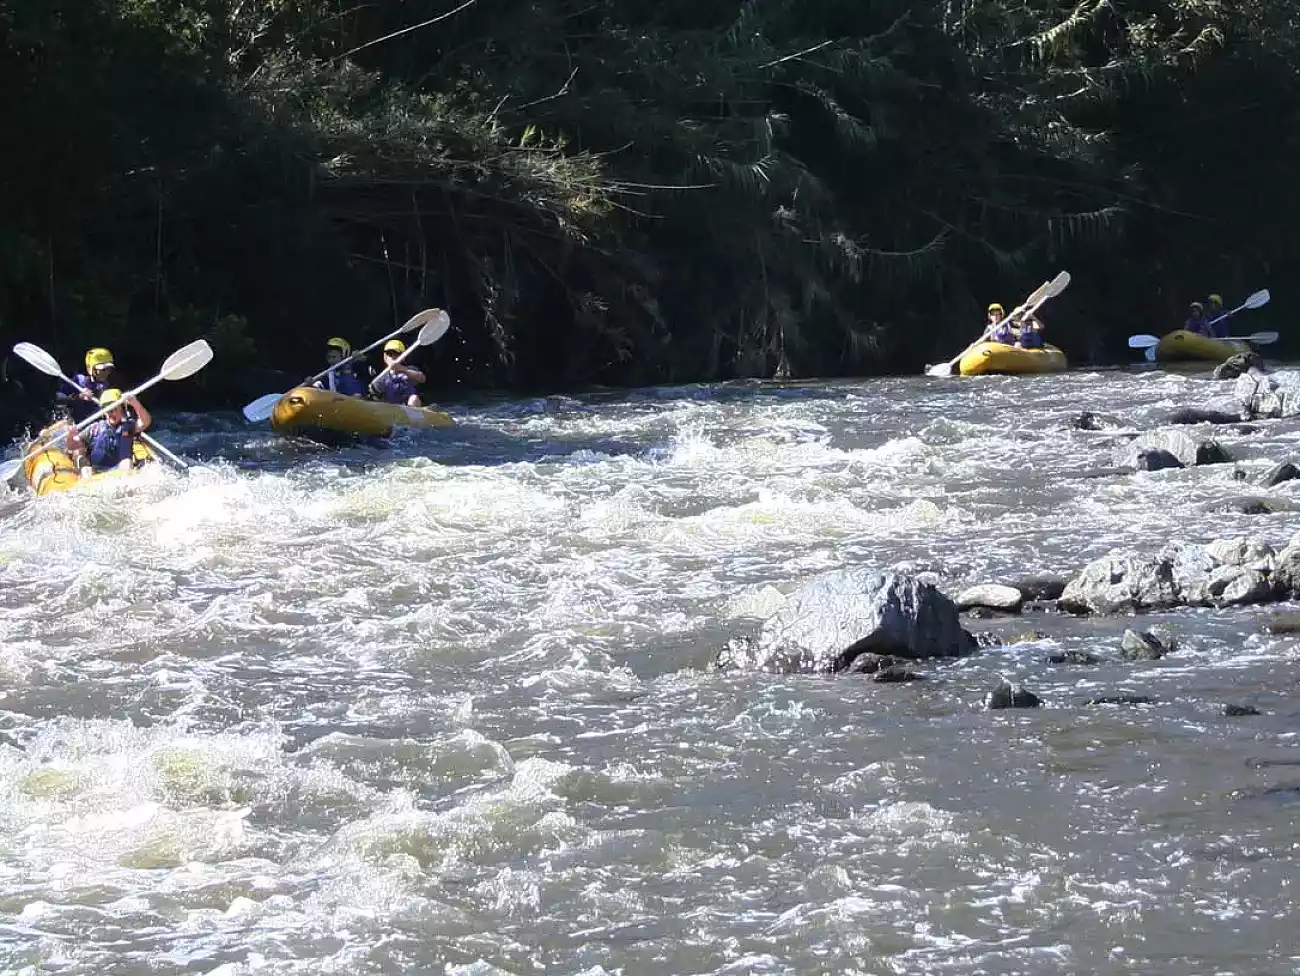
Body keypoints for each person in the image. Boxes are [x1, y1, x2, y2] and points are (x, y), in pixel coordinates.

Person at [65, 388, 153, 476]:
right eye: (107, 410)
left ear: (122, 408)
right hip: (97, 472)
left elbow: (146, 422)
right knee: (85, 470)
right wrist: (71, 435)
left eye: (114, 408)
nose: (111, 413)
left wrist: (135, 403)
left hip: (120, 470)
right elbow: (72, 446)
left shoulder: (129, 426)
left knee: (127, 462)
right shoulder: (94, 428)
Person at [57, 347, 117, 423]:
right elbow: (58, 398)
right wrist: (78, 396)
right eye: (103, 369)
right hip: (75, 424)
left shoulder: (107, 385)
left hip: (94, 425)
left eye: (109, 369)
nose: (106, 373)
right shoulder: (78, 380)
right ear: (90, 368)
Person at [370, 339, 425, 407]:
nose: (393, 356)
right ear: (385, 357)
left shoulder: (410, 369)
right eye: (389, 353)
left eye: (396, 354)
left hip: (409, 408)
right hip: (391, 409)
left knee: (414, 398)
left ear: (403, 357)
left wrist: (402, 369)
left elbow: (422, 378)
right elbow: (375, 397)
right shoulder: (381, 378)